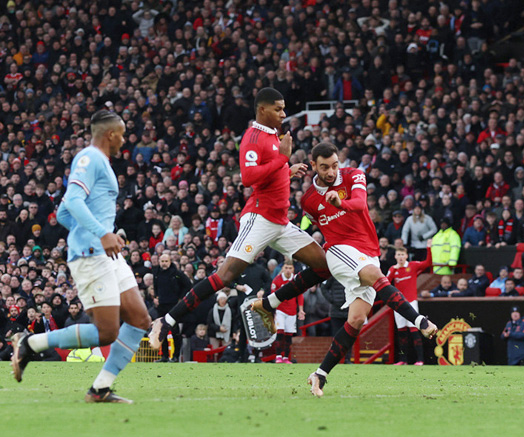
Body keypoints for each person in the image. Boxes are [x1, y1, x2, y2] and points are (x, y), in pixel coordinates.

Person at [250, 142, 437, 396]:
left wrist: (341, 203)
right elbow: (322, 225)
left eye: (335, 165)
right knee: (374, 277)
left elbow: (359, 204)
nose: (331, 172)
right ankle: (421, 321)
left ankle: (319, 374)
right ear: (313, 165)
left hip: (369, 251)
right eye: (324, 167)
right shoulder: (308, 201)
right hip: (338, 249)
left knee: (357, 319)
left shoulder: (353, 175)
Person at [149, 88, 331, 348]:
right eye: (278, 109)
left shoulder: (273, 135)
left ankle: (268, 304)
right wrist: (282, 158)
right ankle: (165, 321)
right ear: (262, 110)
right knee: (224, 277)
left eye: (283, 108)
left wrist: (286, 171)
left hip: (280, 222)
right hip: (259, 218)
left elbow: (269, 175)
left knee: (323, 266)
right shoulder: (252, 137)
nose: (283, 113)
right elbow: (248, 177)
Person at [11, 110, 151, 403]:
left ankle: (100, 388)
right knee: (106, 332)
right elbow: (72, 200)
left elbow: (64, 211)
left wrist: (99, 232)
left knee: (139, 319)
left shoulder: (102, 162)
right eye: (122, 134)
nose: (124, 140)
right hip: (90, 253)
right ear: (110, 134)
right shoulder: (89, 158)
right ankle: (30, 342)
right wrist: (100, 233)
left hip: (106, 252)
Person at [387, 241, 432, 365]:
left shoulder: (412, 266)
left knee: (414, 330)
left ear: (406, 256)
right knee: (401, 332)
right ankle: (403, 360)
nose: (401, 257)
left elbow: (428, 263)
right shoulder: (392, 269)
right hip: (398, 305)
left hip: (411, 303)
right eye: (398, 255)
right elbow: (385, 282)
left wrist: (429, 248)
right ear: (395, 256)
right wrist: (392, 271)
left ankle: (420, 359)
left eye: (402, 254)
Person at [270, 259, 304, 363]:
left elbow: (300, 295)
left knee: (289, 334)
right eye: (286, 268)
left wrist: (301, 310)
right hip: (280, 310)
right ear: (282, 269)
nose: (288, 270)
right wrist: (273, 312)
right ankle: (278, 356)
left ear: (293, 269)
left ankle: (286, 358)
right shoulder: (277, 280)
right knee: (280, 332)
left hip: (292, 311)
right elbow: (273, 296)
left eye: (290, 268)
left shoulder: (296, 280)